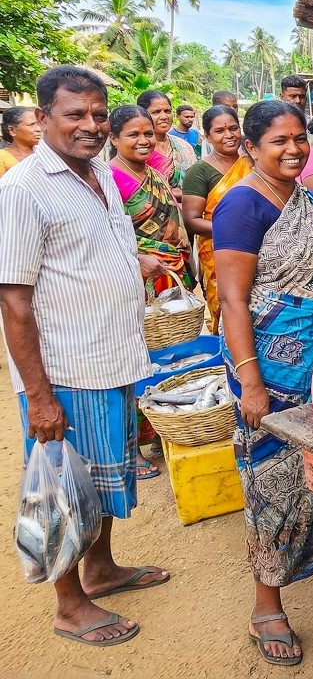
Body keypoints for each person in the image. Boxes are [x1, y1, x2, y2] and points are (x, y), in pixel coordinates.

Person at [0, 65, 170, 648]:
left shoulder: (99, 170)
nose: (91, 125)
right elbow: (14, 301)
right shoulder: (23, 189)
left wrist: (137, 263)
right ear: (43, 117)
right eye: (75, 114)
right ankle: (69, 604)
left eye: (99, 113)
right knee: (63, 490)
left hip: (115, 356)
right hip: (67, 372)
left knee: (104, 476)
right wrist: (39, 396)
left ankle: (100, 571)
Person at [213, 100, 313, 666]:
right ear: (250, 148)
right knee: (271, 483)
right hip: (266, 364)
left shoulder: (308, 201)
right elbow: (233, 300)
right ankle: (267, 605)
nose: (292, 149)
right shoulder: (241, 205)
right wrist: (251, 382)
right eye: (277, 141)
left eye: (298, 139)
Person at [107, 105, 194, 293]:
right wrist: (139, 258)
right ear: (113, 138)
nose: (143, 141)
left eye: (148, 133)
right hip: (134, 276)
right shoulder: (108, 179)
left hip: (173, 269)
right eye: (133, 135)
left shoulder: (156, 175)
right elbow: (104, 236)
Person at [182, 104, 246, 333]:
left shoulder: (253, 164)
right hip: (219, 253)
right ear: (208, 136)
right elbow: (191, 220)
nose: (229, 135)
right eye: (219, 131)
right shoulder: (200, 171)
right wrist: (234, 233)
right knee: (227, 311)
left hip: (258, 249)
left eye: (233, 128)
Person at [138, 90, 196, 202]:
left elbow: (195, 187)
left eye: (167, 111)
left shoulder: (184, 147)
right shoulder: (138, 149)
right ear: (142, 114)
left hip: (185, 213)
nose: (164, 116)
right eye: (156, 112)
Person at [0, 106, 42, 179]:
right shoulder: (2, 157)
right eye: (31, 124)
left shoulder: (42, 152)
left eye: (38, 124)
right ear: (12, 130)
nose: (38, 129)